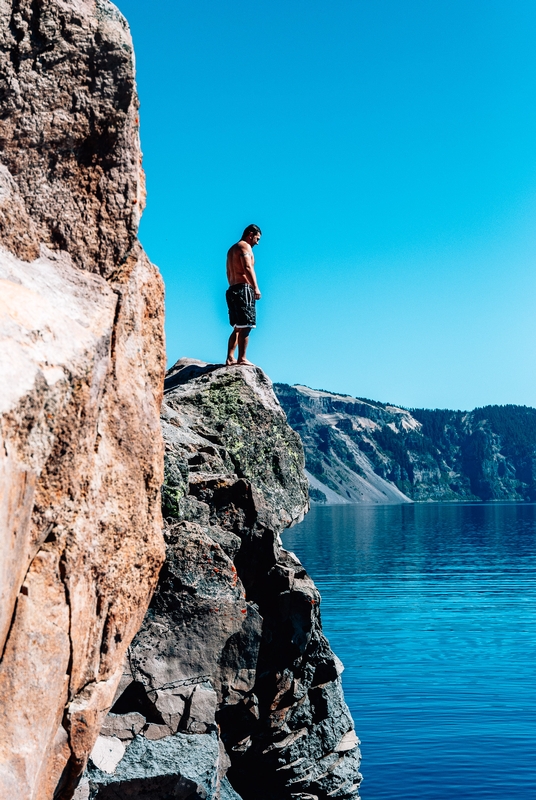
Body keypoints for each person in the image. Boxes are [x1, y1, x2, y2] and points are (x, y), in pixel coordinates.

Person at [225, 224, 262, 366]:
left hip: (232, 289)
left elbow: (229, 272)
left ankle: (230, 357)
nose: (257, 243)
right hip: (243, 289)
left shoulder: (231, 250)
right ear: (250, 234)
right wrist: (255, 287)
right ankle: (242, 358)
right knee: (247, 325)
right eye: (257, 238)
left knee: (237, 327)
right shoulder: (245, 247)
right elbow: (247, 267)